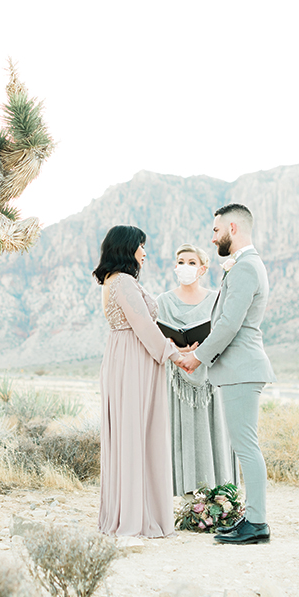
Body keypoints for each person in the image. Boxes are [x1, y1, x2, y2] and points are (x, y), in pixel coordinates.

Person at [176, 204, 276, 545]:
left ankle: (258, 522)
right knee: (244, 447)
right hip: (237, 368)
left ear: (232, 227)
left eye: (216, 230)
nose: (212, 236)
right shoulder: (244, 266)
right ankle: (252, 518)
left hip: (242, 368)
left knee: (247, 448)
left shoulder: (247, 267)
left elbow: (231, 324)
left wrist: (197, 358)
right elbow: (225, 322)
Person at [93, 225, 181, 537]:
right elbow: (143, 324)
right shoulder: (125, 282)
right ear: (127, 248)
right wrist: (174, 354)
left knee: (129, 434)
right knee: (137, 433)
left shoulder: (111, 281)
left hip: (124, 355)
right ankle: (137, 516)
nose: (145, 252)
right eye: (141, 246)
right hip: (135, 359)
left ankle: (128, 508)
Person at [156, 244, 236, 496]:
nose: (185, 267)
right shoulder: (163, 301)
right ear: (174, 267)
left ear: (202, 269)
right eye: (181, 261)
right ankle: (181, 494)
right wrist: (170, 346)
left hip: (209, 374)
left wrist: (199, 352)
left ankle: (218, 493)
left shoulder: (216, 299)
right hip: (176, 376)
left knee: (213, 429)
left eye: (192, 262)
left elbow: (226, 334)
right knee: (180, 431)